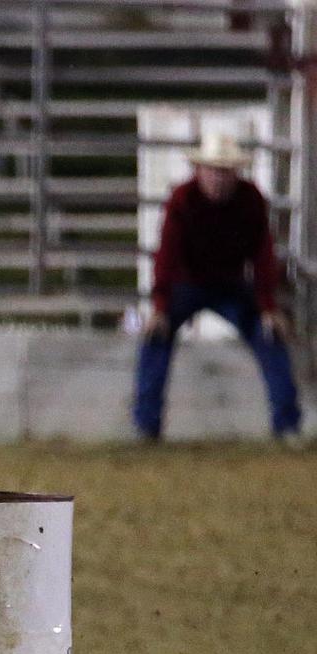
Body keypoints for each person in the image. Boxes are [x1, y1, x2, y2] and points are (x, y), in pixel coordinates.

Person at [133, 130, 302, 442]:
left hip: (232, 285)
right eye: (212, 170)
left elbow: (263, 253)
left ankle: (288, 425)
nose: (218, 179)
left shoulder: (251, 200)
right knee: (156, 337)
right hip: (187, 284)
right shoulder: (182, 199)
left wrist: (268, 306)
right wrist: (159, 307)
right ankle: (146, 426)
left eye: (225, 171)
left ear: (236, 174)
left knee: (270, 336)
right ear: (199, 171)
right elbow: (166, 253)